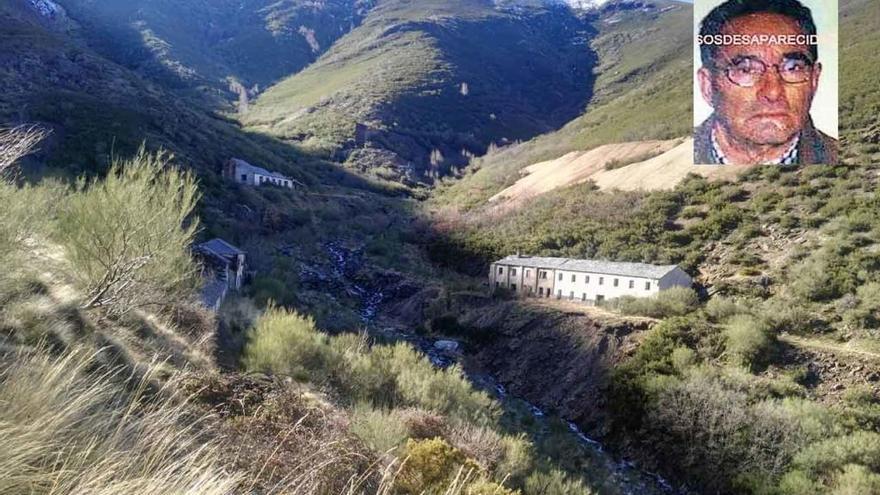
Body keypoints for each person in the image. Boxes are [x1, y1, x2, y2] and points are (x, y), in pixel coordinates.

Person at [694, 0, 837, 165]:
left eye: (792, 68)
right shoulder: (675, 157)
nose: (773, 92)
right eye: (746, 70)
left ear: (814, 80)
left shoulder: (844, 158)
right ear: (707, 86)